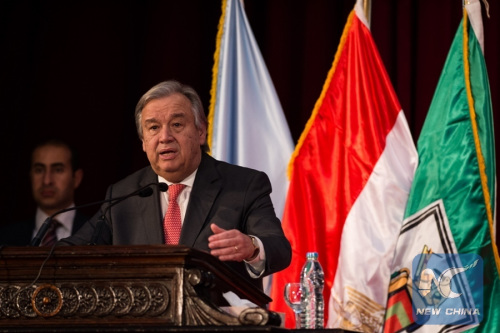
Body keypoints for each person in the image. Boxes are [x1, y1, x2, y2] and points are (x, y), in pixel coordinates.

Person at [60, 80, 292, 291]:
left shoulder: (244, 186)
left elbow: (278, 248)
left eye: (177, 124)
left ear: (201, 132)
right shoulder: (123, 194)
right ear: (143, 142)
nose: (165, 137)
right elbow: (74, 251)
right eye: (153, 128)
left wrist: (252, 247)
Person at [0, 139, 87, 246]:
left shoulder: (100, 235)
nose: (47, 181)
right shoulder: (5, 237)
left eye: (58, 170)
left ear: (77, 178)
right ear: (30, 176)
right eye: (39, 170)